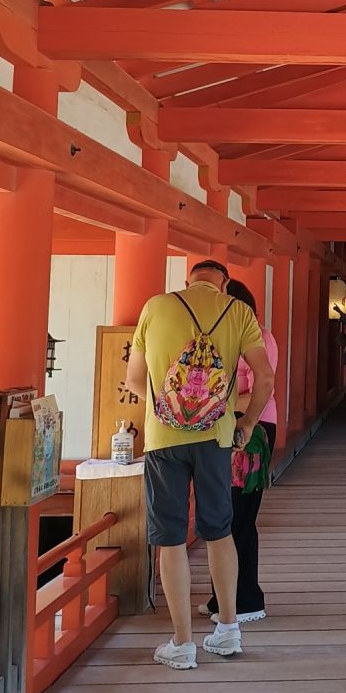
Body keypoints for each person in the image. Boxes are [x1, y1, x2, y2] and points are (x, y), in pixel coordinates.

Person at [125, 258, 274, 669]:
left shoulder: (156, 306)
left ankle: (182, 643)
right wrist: (246, 421)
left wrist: (170, 408)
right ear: (223, 283)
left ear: (188, 280)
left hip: (163, 439)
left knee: (170, 539)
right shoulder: (238, 311)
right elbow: (265, 378)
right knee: (219, 531)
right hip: (216, 436)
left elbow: (135, 379)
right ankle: (227, 631)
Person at [205, 278, 278, 625]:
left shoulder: (260, 338)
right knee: (223, 514)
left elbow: (263, 388)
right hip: (224, 426)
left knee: (240, 514)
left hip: (252, 428)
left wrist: (213, 402)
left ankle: (246, 598)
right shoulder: (222, 339)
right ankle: (223, 594)